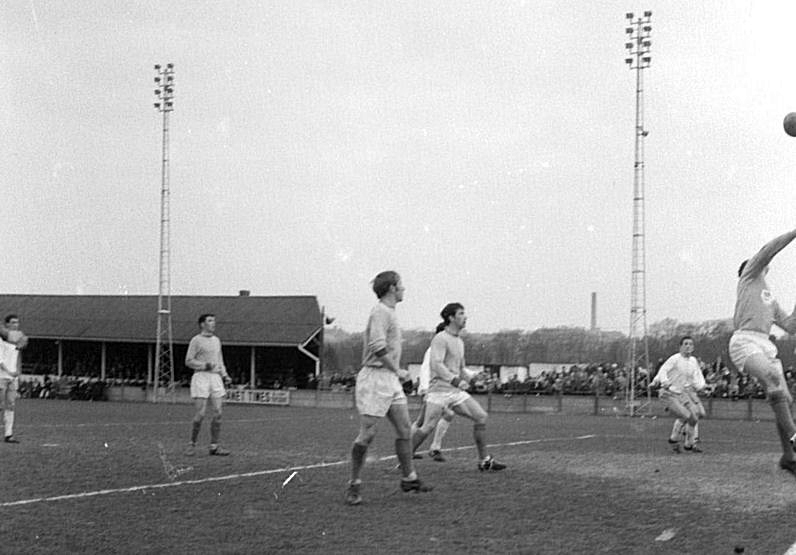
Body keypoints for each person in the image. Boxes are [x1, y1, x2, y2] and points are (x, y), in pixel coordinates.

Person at [345, 271, 432, 506]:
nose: (404, 289)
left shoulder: (390, 312)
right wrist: (398, 370)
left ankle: (409, 478)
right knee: (368, 434)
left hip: (389, 380)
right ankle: (354, 484)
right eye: (401, 285)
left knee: (405, 430)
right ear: (392, 288)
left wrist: (394, 373)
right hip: (375, 379)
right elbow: (377, 347)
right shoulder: (380, 312)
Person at [729, 229, 796, 476]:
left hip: (766, 345)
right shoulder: (748, 276)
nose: (763, 263)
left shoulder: (769, 295)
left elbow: (790, 326)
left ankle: (788, 458)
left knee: (786, 402)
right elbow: (769, 249)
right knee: (773, 380)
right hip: (745, 340)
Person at [410, 303, 506, 472]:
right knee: (427, 427)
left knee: (481, 417)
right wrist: (455, 380)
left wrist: (474, 379)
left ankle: (484, 461)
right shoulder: (440, 338)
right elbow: (437, 365)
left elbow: (460, 368)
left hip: (455, 392)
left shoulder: (459, 341)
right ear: (451, 318)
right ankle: (405, 458)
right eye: (461, 313)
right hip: (438, 392)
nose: (465, 317)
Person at [184, 314, 231, 457]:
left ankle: (214, 446)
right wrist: (204, 365)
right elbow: (189, 360)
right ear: (202, 324)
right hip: (201, 377)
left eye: (214, 321)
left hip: (215, 377)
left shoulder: (216, 340)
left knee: (218, 413)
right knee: (201, 414)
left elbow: (219, 360)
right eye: (210, 321)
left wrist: (225, 375)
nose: (213, 323)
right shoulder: (196, 340)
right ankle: (191, 444)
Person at [651, 336, 706, 453]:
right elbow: (663, 370)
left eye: (690, 344)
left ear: (693, 347)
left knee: (697, 415)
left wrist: (701, 386)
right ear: (680, 347)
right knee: (687, 416)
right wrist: (660, 381)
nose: (688, 346)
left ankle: (686, 443)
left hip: (683, 393)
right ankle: (685, 441)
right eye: (685, 344)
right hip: (669, 393)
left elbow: (697, 375)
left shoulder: (693, 361)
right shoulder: (675, 359)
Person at [411, 346, 455, 462]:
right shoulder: (433, 350)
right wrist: (425, 389)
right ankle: (431, 449)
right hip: (432, 391)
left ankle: (432, 448)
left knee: (424, 421)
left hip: (440, 391)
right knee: (425, 422)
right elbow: (425, 369)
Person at [0, 315, 28, 443]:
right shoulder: (1, 339)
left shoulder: (17, 340)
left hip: (12, 378)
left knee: (11, 405)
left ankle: (8, 434)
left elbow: (16, 357)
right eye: (13, 322)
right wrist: (9, 371)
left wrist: (16, 371)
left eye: (17, 322)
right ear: (6, 325)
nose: (16, 325)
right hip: (2, 376)